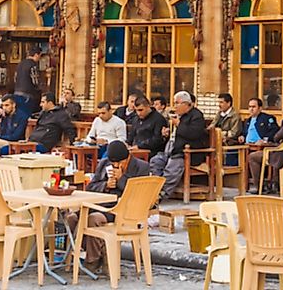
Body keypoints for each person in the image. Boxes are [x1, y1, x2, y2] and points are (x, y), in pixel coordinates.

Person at [65, 141, 149, 273]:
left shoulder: (141, 167)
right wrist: (105, 185)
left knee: (93, 219)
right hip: (100, 204)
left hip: (122, 210)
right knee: (71, 218)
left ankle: (92, 260)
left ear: (127, 158)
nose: (115, 166)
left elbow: (138, 193)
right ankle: (86, 255)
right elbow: (91, 187)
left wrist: (122, 179)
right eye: (113, 163)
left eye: (119, 163)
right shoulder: (104, 164)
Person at [152, 91, 208, 200]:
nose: (175, 106)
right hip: (172, 150)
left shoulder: (197, 116)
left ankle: (161, 194)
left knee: (172, 167)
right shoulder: (179, 116)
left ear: (186, 104)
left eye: (177, 103)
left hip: (187, 153)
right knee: (156, 161)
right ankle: (155, 188)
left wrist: (179, 124)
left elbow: (194, 134)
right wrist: (166, 134)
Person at [14, 47, 43, 115]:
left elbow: (15, 78)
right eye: (40, 56)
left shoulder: (20, 64)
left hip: (17, 92)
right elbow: (35, 81)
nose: (39, 58)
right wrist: (40, 89)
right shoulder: (33, 65)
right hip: (28, 93)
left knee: (19, 113)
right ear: (36, 55)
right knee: (26, 114)